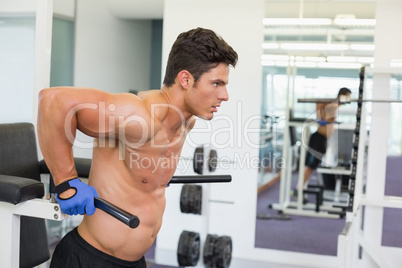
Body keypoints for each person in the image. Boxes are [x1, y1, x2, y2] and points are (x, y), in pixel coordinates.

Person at [37, 27, 238, 267]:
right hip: (92, 258)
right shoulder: (140, 115)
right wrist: (66, 182)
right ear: (186, 79)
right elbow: (53, 101)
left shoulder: (186, 122)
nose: (225, 95)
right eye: (217, 83)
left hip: (135, 260)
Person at [292, 87, 352, 199]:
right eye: (347, 97)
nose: (349, 100)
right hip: (318, 138)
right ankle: (298, 189)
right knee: (310, 166)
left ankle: (300, 189)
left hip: (323, 139)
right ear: (342, 96)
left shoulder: (336, 106)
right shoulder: (333, 103)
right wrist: (320, 118)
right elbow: (318, 102)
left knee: (311, 166)